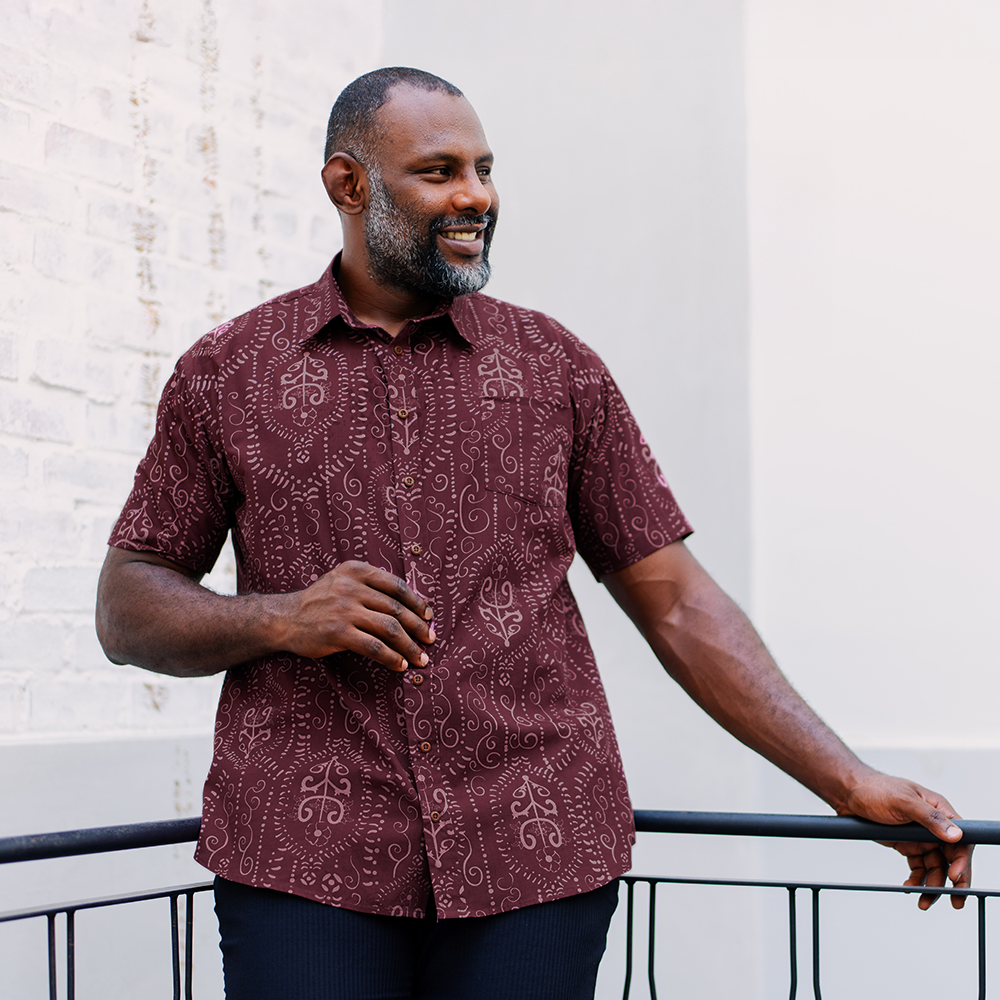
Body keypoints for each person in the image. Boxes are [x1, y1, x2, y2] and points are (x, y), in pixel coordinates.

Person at [96, 67, 971, 1000]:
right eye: (439, 171)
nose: (476, 196)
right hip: (305, 854)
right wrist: (280, 619)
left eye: (483, 168)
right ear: (349, 186)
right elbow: (128, 606)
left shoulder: (559, 369)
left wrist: (845, 781)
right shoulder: (228, 372)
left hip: (536, 849)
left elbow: (675, 602)